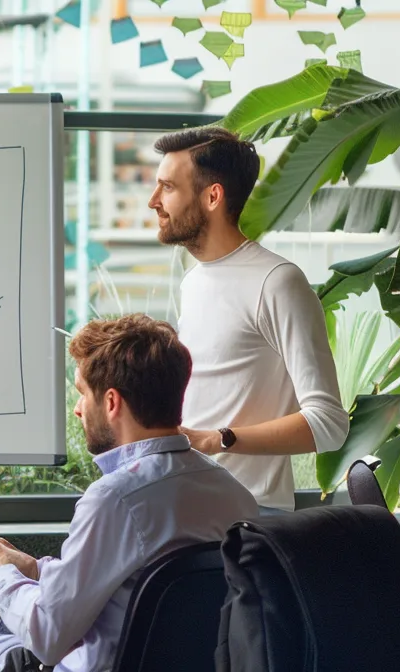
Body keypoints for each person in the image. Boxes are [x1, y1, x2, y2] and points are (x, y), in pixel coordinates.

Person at [0, 314, 256, 672]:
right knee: (11, 622)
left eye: (83, 392)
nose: (78, 408)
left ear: (112, 402)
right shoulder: (235, 495)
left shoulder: (115, 498)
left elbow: (49, 637)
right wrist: (33, 569)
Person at [149, 126, 349, 514]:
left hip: (250, 519)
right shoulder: (193, 281)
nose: (153, 201)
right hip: (188, 508)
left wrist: (217, 439)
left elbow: (329, 424)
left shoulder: (277, 282)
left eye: (167, 188)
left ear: (213, 196)